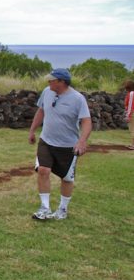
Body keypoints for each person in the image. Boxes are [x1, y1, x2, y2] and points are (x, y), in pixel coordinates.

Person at [28, 68, 91, 220]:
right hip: (46, 141)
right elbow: (41, 111)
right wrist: (32, 130)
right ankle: (44, 208)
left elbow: (86, 121)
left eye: (52, 80)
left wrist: (82, 141)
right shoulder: (47, 92)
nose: (49, 82)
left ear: (62, 82)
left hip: (68, 146)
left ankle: (62, 209)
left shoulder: (78, 99)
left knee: (67, 178)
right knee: (43, 170)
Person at [124, 80, 134, 150]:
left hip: (132, 113)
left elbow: (130, 105)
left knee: (132, 129)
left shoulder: (131, 94)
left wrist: (128, 116)